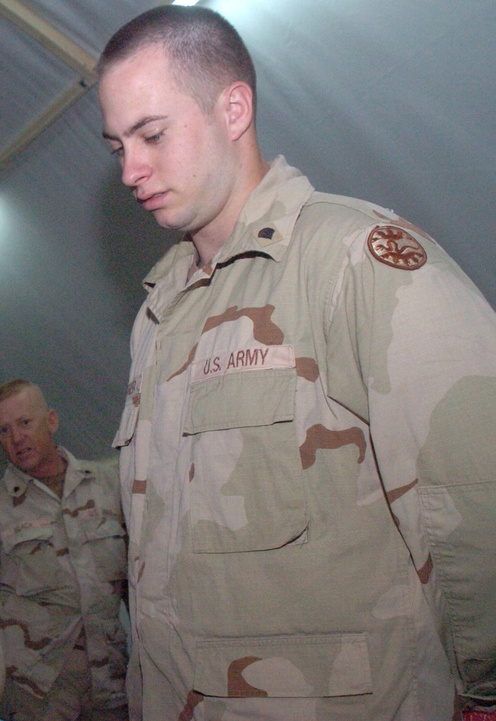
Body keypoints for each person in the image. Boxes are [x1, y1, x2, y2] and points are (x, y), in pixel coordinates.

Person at [97, 6, 496, 721]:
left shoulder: (354, 263)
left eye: (151, 134)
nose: (130, 169)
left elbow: (474, 497)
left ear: (234, 107)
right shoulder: (160, 314)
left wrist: (484, 692)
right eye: (116, 145)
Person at [0, 379, 128, 721]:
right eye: (3, 431)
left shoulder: (109, 486)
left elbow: (139, 586)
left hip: (112, 684)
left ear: (51, 420)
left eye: (24, 423)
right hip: (38, 695)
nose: (16, 439)